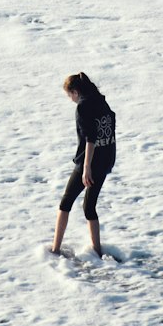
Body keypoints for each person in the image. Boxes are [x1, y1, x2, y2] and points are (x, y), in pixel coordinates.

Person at [50, 71, 117, 257]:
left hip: (90, 163)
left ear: (75, 92)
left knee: (66, 202)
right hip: (106, 160)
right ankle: (97, 251)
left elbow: (90, 138)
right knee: (89, 206)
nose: (69, 99)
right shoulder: (101, 101)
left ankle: (55, 249)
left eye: (69, 95)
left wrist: (86, 167)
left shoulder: (83, 107)